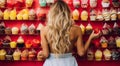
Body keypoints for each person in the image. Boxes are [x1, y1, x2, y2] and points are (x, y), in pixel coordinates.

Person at [39, 0, 100, 66]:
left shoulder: (44, 30)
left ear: (51, 14)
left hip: (51, 63)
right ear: (68, 13)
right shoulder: (77, 29)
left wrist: (41, 53)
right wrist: (90, 38)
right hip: (69, 63)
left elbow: (46, 54)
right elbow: (81, 53)